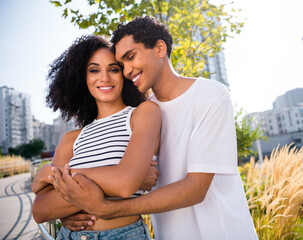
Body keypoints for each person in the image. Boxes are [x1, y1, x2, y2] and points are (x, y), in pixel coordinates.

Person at [50, 16, 258, 239]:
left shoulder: (210, 95)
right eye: (122, 65)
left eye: (131, 57)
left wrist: (108, 209)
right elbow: (115, 174)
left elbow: (195, 188)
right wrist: (75, 209)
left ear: (160, 48)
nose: (127, 70)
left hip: (222, 231)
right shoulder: (142, 114)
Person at [31, 34, 161, 239]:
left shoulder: (143, 114)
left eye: (113, 69)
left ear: (124, 74)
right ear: (82, 78)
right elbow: (41, 210)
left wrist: (53, 175)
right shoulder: (71, 139)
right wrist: (113, 177)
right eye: (94, 70)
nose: (104, 78)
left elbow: (125, 184)